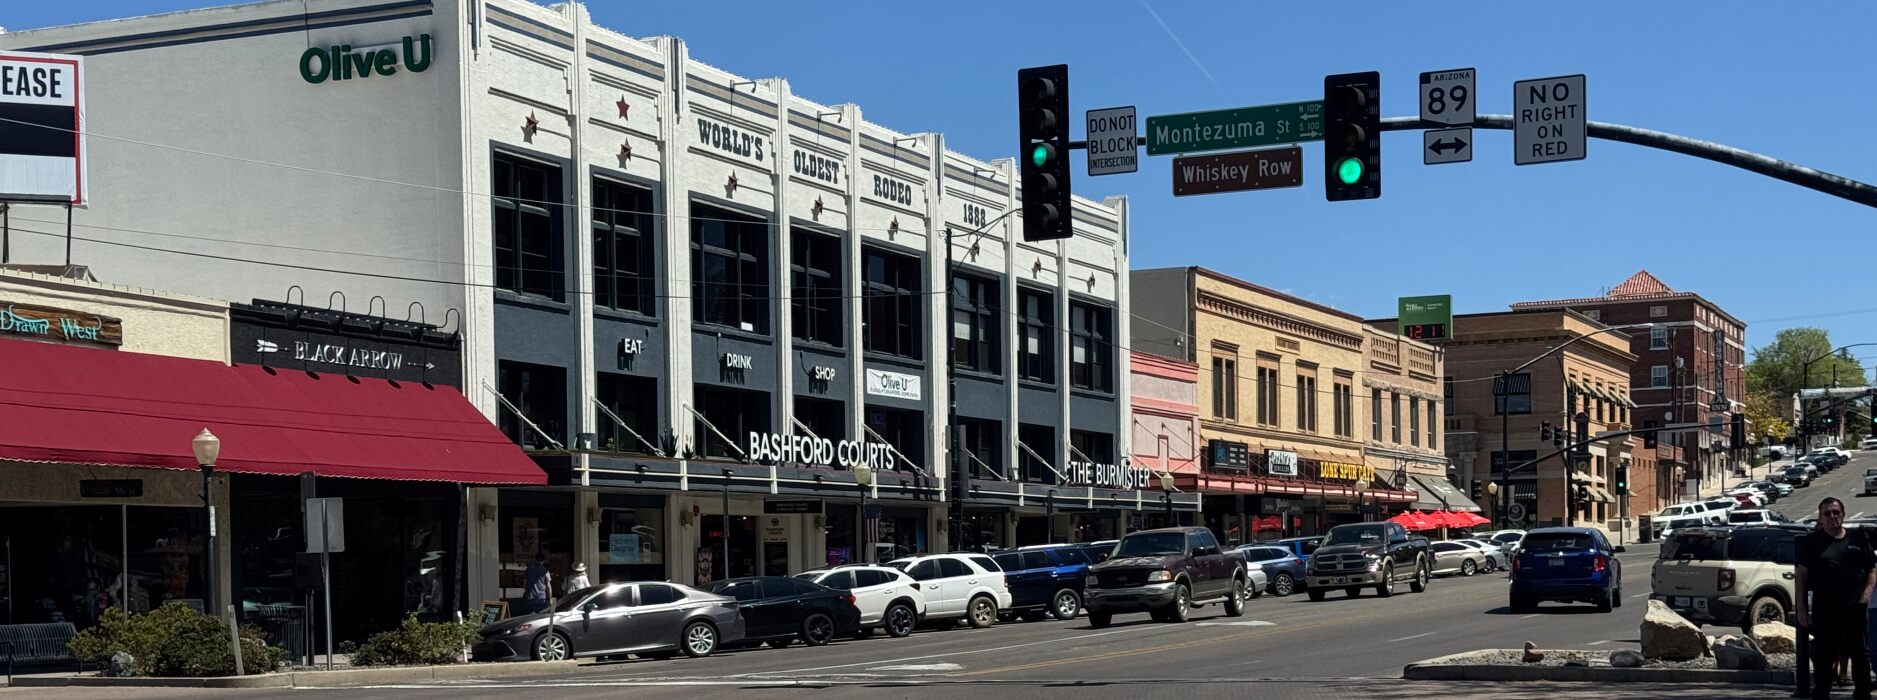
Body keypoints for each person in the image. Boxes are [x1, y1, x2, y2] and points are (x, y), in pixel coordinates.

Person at [1798, 496, 1874, 700]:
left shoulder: (1857, 539)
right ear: (1821, 517)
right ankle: (1821, 693)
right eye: (1827, 513)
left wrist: (1865, 597)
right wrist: (1802, 609)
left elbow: (1871, 569)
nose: (1833, 516)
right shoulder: (1812, 542)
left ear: (1843, 514)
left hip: (1855, 609)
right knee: (1824, 656)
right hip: (1825, 610)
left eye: (1836, 512)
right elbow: (1801, 576)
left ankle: (1863, 693)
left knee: (1860, 654)